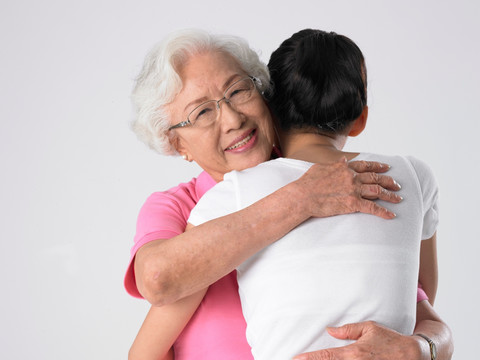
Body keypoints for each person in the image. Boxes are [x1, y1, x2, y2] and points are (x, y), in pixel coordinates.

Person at [126, 29, 453, 360]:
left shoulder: (345, 185)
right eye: (202, 113)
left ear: (266, 94)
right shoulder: (183, 207)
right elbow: (157, 283)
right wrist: (300, 198)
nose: (233, 119)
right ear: (178, 144)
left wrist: (420, 349)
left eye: (238, 91)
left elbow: (425, 319)